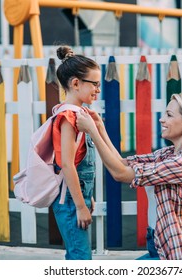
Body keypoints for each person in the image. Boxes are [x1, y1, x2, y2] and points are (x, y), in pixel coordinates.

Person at [76, 93, 182, 260]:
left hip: (174, 254)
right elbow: (122, 163)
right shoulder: (167, 154)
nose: (161, 119)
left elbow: (119, 173)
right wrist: (99, 127)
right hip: (157, 243)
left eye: (169, 115)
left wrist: (92, 131)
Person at [51, 45, 101, 260]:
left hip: (76, 197)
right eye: (95, 84)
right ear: (75, 83)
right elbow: (67, 164)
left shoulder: (81, 114)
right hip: (70, 201)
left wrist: (86, 197)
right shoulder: (69, 117)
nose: (98, 90)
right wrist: (80, 206)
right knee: (81, 257)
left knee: (76, 255)